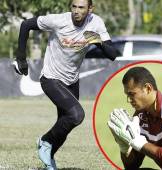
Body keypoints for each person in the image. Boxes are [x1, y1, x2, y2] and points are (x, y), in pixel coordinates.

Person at [13, 0, 120, 169]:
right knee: (76, 115)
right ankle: (45, 141)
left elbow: (113, 54)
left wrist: (97, 40)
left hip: (71, 81)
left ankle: (49, 160)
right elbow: (26, 25)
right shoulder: (59, 20)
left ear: (90, 9)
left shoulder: (96, 22)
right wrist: (20, 58)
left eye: (81, 8)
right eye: (74, 7)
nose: (76, 11)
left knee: (66, 123)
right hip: (51, 78)